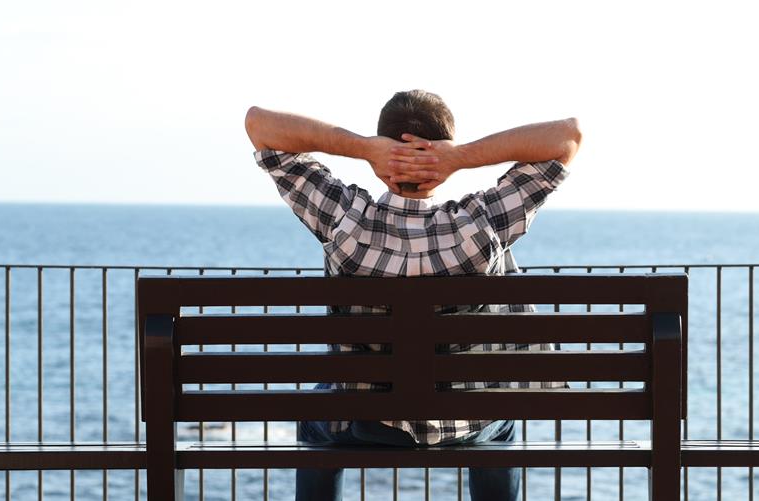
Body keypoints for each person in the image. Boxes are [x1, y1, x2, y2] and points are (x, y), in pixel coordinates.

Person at [245, 90, 581, 501]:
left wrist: (363, 149)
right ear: (445, 150)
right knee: (501, 417)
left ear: (382, 163)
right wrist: (459, 158)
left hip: (363, 421)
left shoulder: (344, 220)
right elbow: (568, 136)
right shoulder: (483, 224)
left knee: (317, 411)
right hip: (465, 423)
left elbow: (258, 123)